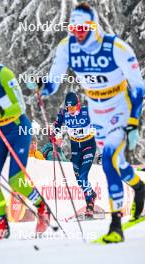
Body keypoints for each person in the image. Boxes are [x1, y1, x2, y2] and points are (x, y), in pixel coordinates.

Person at [40, 2, 145, 242]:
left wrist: (133, 121)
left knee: (108, 160)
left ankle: (116, 224)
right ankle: (139, 187)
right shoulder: (67, 47)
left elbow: (138, 87)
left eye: (82, 28)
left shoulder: (115, 47)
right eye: (73, 28)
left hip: (119, 107)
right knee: (117, 161)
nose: (77, 33)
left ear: (93, 27)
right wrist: (44, 88)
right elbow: (54, 79)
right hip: (97, 111)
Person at [0, 38, 50, 240]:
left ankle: (41, 208)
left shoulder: (2, 74)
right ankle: (2, 224)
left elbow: (19, 105)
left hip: (18, 128)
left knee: (16, 180)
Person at [53, 92, 96, 218]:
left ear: (78, 105)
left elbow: (102, 121)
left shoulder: (87, 111)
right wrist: (55, 134)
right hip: (75, 147)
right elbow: (57, 125)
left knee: (83, 176)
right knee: (79, 179)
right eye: (68, 107)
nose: (70, 110)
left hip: (88, 145)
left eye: (72, 107)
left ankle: (89, 204)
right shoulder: (63, 113)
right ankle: (91, 194)